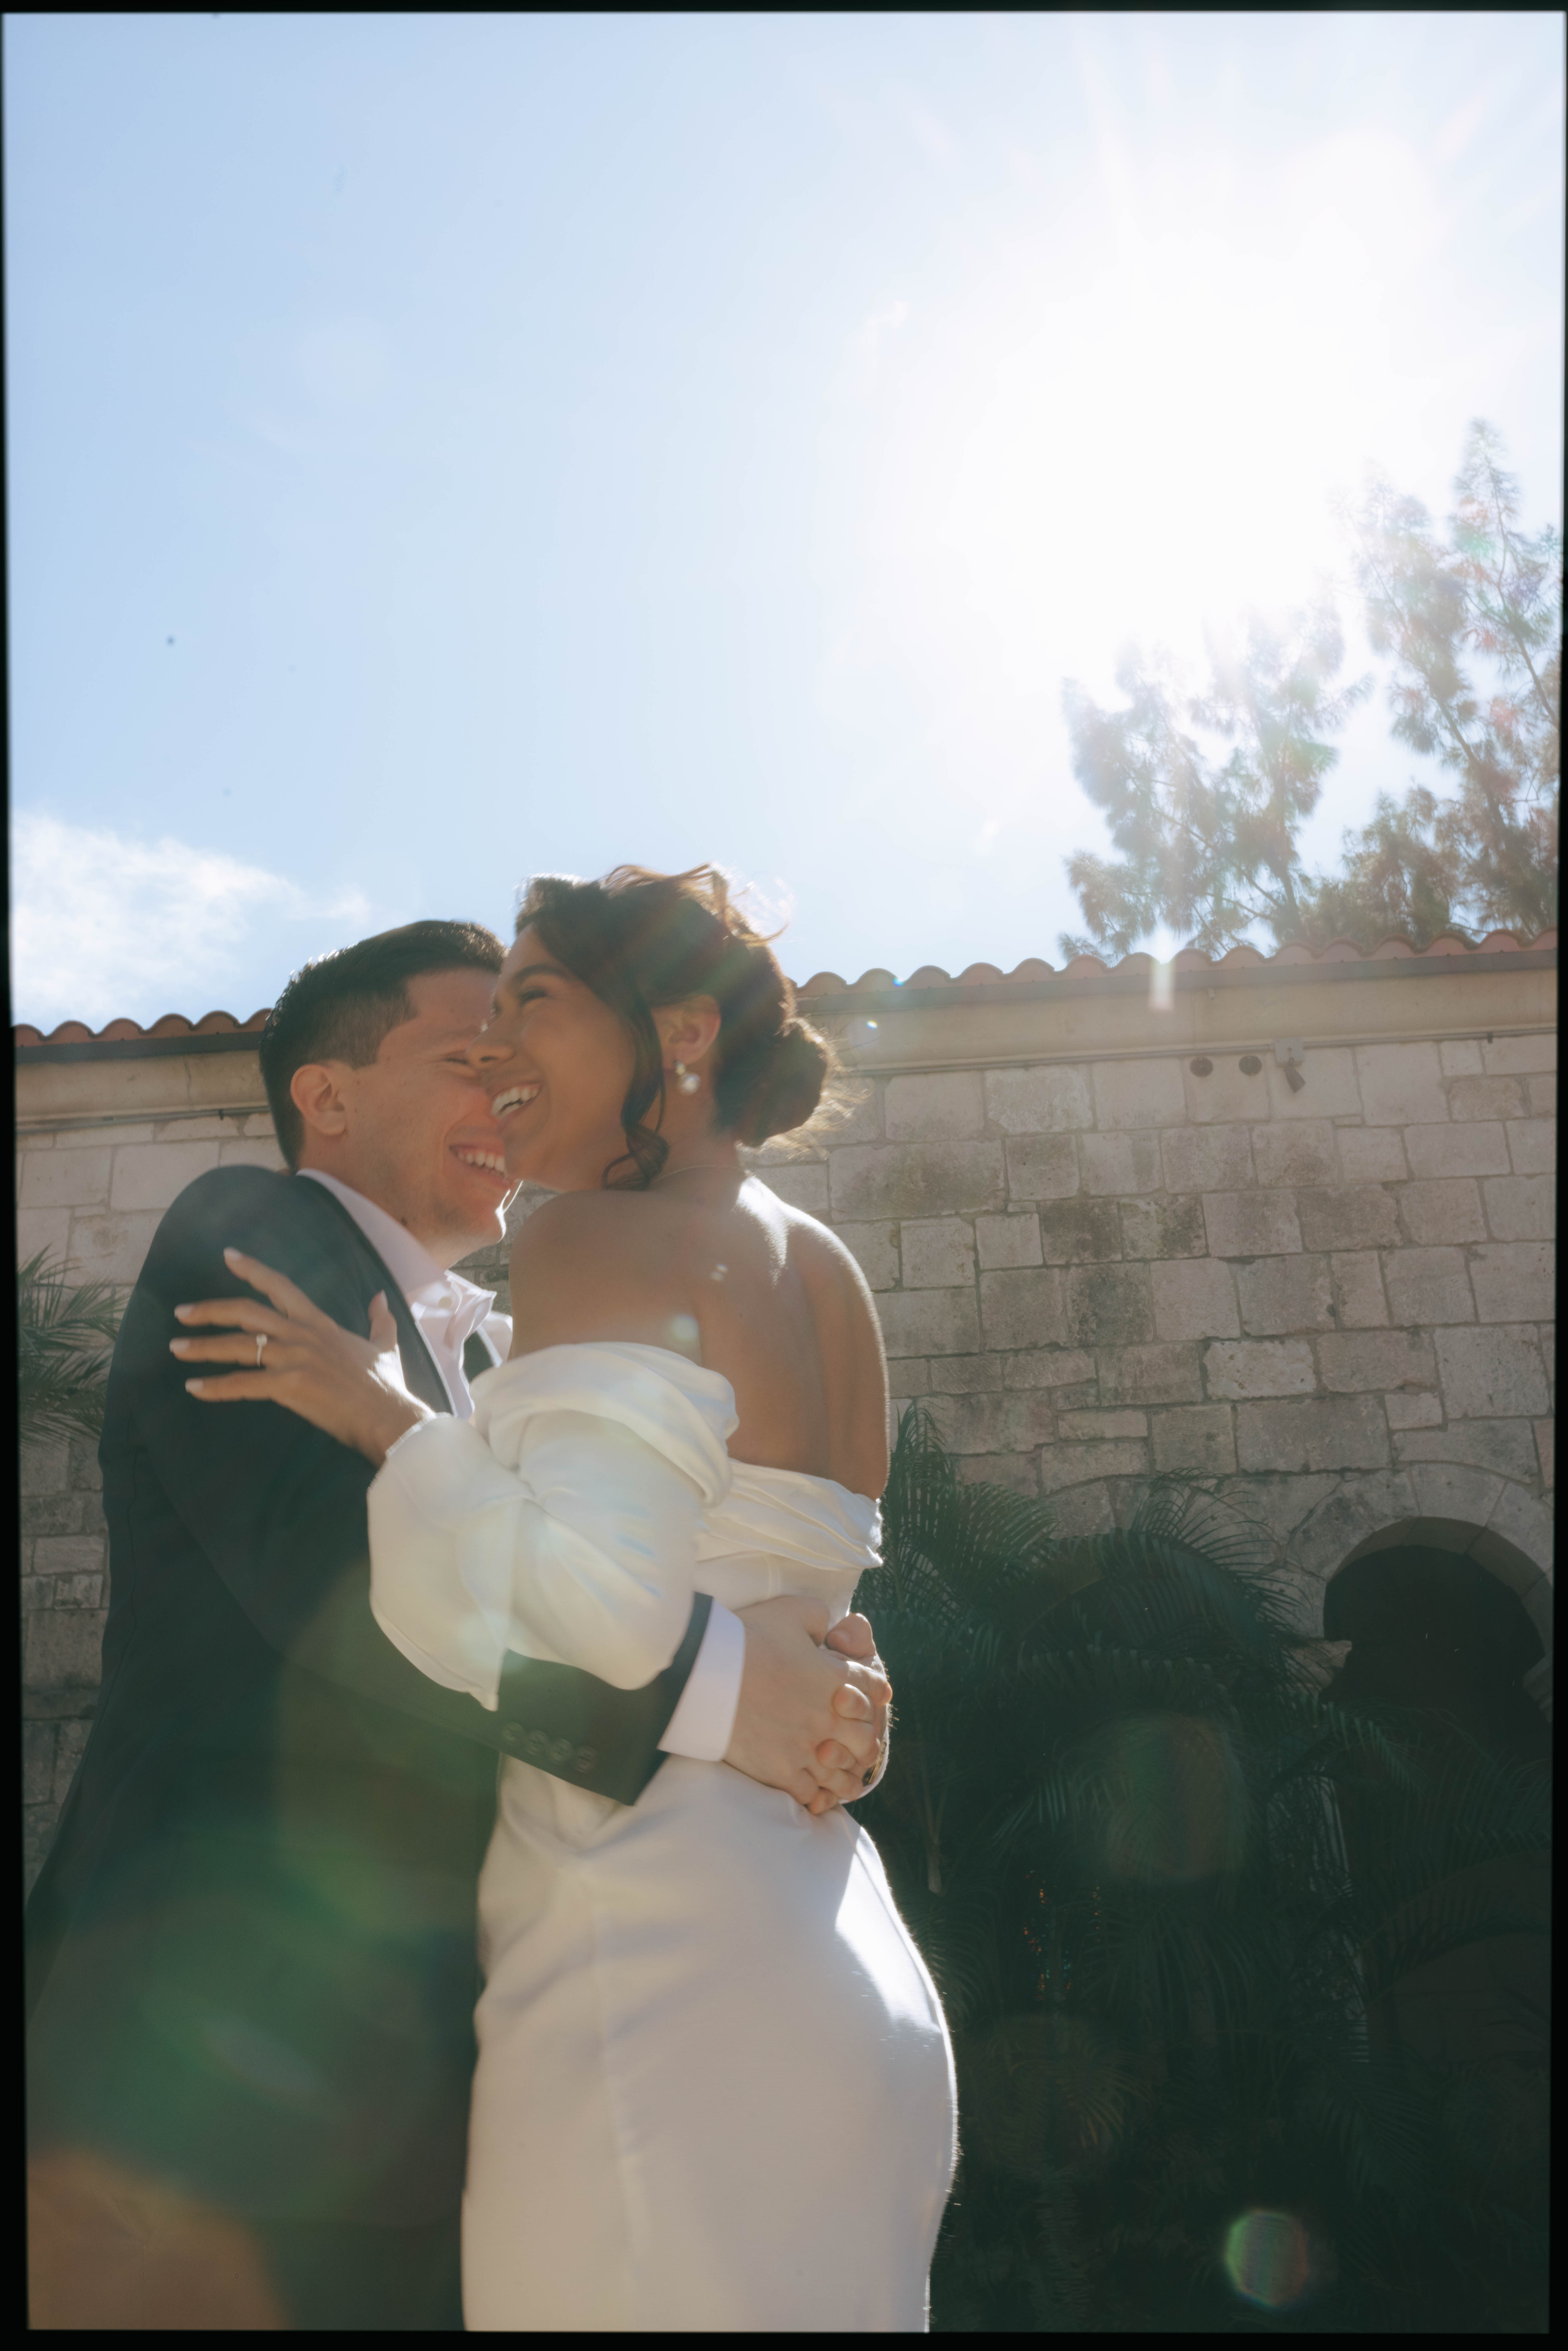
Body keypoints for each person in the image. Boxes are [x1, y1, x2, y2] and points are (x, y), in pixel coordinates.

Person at [24, 916, 890, 2333]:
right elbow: (347, 1619)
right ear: (329, 1094)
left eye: (516, 1049)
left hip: (444, 2094)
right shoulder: (253, 1234)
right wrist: (733, 1692)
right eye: (460, 1054)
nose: (503, 1089)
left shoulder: (517, 1333)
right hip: (204, 2089)